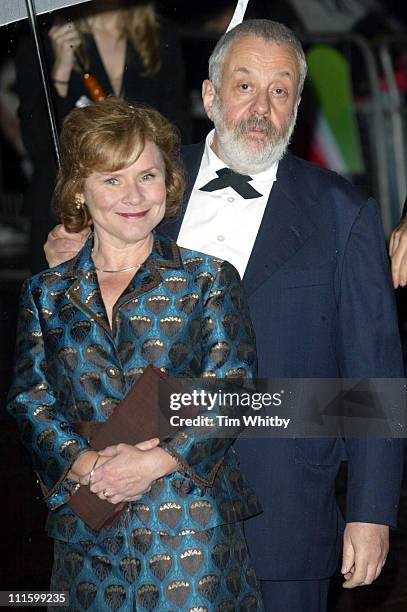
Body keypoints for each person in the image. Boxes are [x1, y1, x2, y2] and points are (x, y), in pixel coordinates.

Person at [44, 20, 404, 612]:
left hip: (283, 510)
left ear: (296, 106)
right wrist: (70, 262)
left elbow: (374, 382)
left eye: (280, 90)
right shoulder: (145, 188)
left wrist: (370, 515)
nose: (261, 107)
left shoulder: (344, 213)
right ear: (210, 97)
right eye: (244, 87)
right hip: (145, 508)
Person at [7, 98, 264, 611]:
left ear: (167, 184)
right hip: (89, 531)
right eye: (112, 179)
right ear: (79, 190)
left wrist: (152, 463)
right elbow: (29, 399)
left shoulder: (207, 280)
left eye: (147, 176)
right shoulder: (47, 293)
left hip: (189, 537)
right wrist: (83, 464)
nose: (133, 195)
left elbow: (232, 391)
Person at [15, 0, 190, 273]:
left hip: (139, 210)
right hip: (68, 213)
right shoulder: (42, 43)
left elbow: (178, 132)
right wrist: (60, 71)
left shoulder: (159, 36)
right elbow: (36, 144)